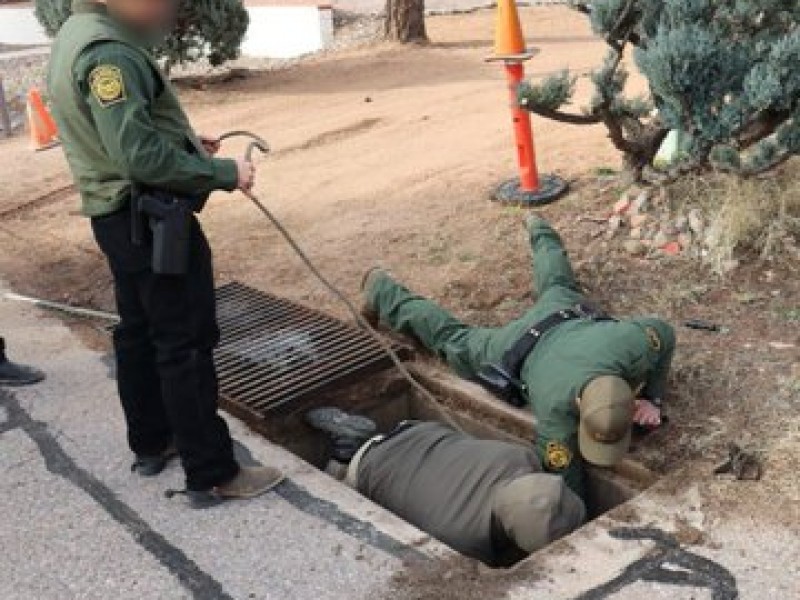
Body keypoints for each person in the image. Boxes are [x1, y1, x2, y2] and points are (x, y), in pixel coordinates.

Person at [46, 0, 283, 508]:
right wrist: (224, 174)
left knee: (138, 332)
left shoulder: (78, 32)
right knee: (184, 342)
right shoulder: (110, 53)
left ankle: (152, 442)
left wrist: (183, 140)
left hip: (118, 219)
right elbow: (138, 157)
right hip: (150, 221)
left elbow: (118, 132)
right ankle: (212, 472)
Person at [361, 216, 675, 497]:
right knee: (453, 339)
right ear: (578, 407)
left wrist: (653, 398)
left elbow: (664, 332)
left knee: (557, 283)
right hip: (515, 348)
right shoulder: (556, 413)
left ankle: (539, 226)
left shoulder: (630, 344)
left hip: (564, 315)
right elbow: (564, 479)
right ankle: (383, 291)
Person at [306, 407, 586, 567]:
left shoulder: (521, 457)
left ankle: (368, 436)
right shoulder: (465, 541)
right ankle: (343, 454)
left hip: (420, 431)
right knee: (334, 497)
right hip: (369, 467)